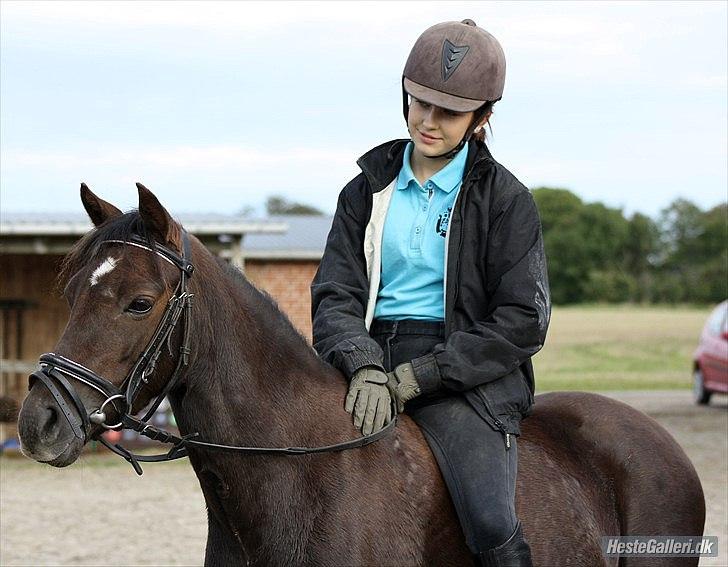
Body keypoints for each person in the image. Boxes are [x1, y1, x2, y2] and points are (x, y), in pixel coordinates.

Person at [311, 19, 550, 567]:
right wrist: (364, 364)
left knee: (491, 520)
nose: (429, 121)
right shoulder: (365, 189)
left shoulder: (508, 201)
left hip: (464, 376)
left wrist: (423, 376)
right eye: (420, 103)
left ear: (483, 117)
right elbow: (334, 294)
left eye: (449, 112)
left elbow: (522, 320)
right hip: (367, 363)